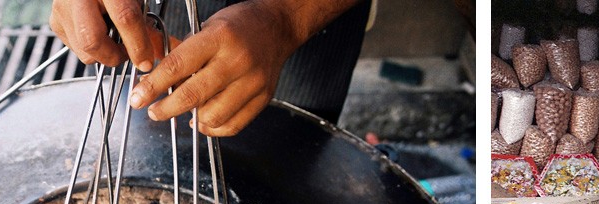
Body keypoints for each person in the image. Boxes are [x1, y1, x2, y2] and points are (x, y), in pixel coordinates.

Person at [49, 0, 365, 136]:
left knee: (282, 171)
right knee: (135, 137)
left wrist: (286, 20)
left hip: (303, 32)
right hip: (147, 16)